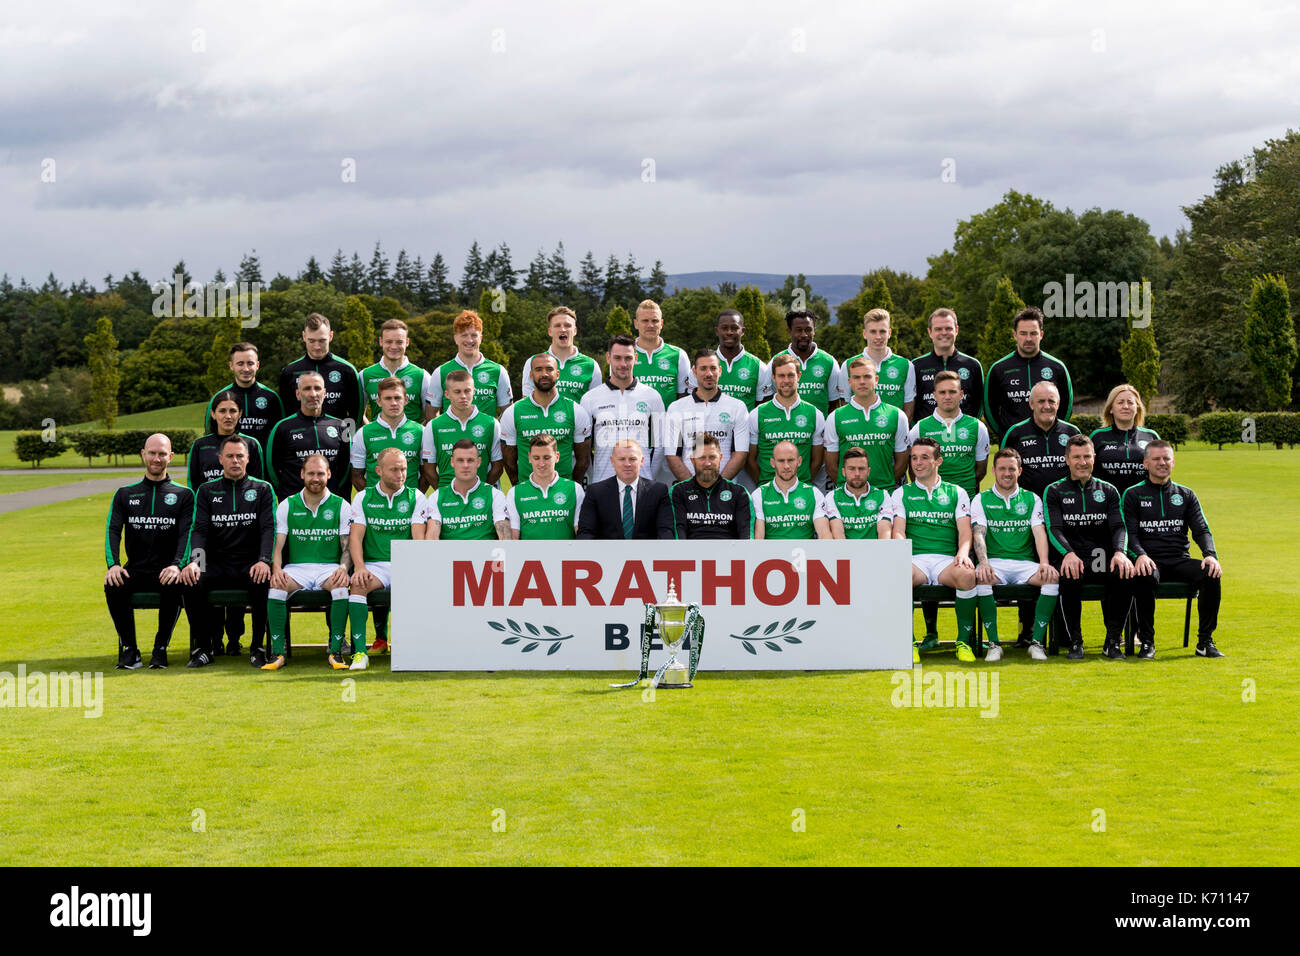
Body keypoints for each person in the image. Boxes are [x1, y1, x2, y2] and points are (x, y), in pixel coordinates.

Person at [906, 369, 989, 649]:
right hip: (929, 503)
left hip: (962, 504)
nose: (947, 396)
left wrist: (956, 495)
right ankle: (930, 631)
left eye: (953, 391)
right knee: (928, 558)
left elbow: (980, 469)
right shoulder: (919, 428)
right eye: (942, 392)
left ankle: (967, 634)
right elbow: (913, 465)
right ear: (933, 396)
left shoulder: (977, 428)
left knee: (965, 564)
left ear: (962, 394)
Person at [180, 435, 277, 667]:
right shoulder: (205, 491)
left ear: (248, 459)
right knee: (191, 580)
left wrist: (264, 560)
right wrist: (196, 562)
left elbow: (268, 528)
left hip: (250, 563)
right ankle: (203, 647)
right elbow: (199, 530)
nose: (235, 461)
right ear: (220, 459)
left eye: (240, 456)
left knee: (264, 579)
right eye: (230, 456)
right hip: (216, 563)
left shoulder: (263, 489)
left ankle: (258, 647)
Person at [1122, 441, 1225, 658]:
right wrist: (1140, 555)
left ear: (1173, 462)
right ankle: (1147, 642)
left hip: (1179, 560)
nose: (1162, 463)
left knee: (1211, 574)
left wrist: (1210, 555)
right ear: (1146, 463)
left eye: (1166, 459)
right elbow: (1129, 534)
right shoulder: (1133, 494)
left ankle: (1205, 642)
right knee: (1143, 574)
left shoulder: (1186, 494)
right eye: (1157, 459)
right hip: (1149, 560)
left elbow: (1201, 529)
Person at [104, 434, 194, 670]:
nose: (157, 458)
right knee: (113, 584)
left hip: (167, 569)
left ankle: (160, 649)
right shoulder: (124, 493)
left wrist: (177, 564)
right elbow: (113, 530)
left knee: (175, 584)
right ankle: (130, 650)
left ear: (171, 457)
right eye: (152, 453)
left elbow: (188, 534)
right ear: (143, 454)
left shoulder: (184, 495)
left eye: (162, 454)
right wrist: (113, 565)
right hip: (136, 568)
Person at [1044, 435, 1135, 660]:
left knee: (1124, 573)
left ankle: (1112, 641)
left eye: (1087, 456)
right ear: (1067, 460)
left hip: (1100, 556)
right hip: (1070, 555)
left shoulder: (1109, 490)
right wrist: (1068, 553)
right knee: (1069, 575)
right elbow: (1053, 529)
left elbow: (1119, 527)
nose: (1082, 462)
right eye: (1076, 457)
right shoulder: (1054, 490)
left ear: (1094, 458)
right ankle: (1076, 642)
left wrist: (1120, 553)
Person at [890, 438, 979, 663]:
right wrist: (901, 553)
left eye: (924, 457)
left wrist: (962, 554)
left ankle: (963, 642)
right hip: (916, 559)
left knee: (968, 575)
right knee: (897, 576)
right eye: (914, 458)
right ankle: (907, 643)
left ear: (938, 460)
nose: (917, 463)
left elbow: (965, 533)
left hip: (945, 561)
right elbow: (898, 531)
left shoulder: (956, 492)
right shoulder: (901, 493)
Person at [970, 448, 1060, 662]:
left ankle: (1036, 644)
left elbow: (1039, 533)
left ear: (1019, 471)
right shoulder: (980, 499)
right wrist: (983, 563)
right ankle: (994, 644)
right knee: (980, 577)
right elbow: (978, 533)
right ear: (993, 471)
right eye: (1002, 469)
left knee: (1052, 577)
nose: (1007, 473)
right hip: (995, 564)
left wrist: (1045, 563)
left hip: (1025, 564)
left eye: (1012, 469)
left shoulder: (1032, 499)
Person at [265, 454, 352, 671]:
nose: (316, 478)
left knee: (341, 586)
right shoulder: (287, 504)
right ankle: (278, 652)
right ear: (302, 474)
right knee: (276, 586)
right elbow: (277, 545)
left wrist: (343, 567)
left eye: (320, 473)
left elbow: (347, 547)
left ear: (329, 475)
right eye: (311, 473)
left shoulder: (341, 505)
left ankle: (336, 650)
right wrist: (276, 569)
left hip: (329, 568)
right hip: (297, 569)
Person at [346, 447, 427, 670]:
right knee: (358, 586)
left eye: (403, 469)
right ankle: (360, 653)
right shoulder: (363, 498)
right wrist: (360, 568)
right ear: (379, 470)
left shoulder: (416, 496)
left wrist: (416, 569)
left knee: (421, 588)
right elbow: (355, 538)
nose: (400, 475)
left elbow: (418, 537)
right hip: (375, 566)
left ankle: (414, 649)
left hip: (406, 562)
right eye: (394, 470)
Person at [580, 334, 664, 485]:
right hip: (602, 485)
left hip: (642, 486)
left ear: (636, 358)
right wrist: (597, 478)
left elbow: (661, 445)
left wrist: (648, 477)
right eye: (617, 358)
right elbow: (584, 450)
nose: (623, 364)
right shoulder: (589, 398)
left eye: (628, 358)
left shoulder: (653, 396)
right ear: (608, 357)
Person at [983, 306, 1073, 444]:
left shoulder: (1057, 367)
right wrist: (1008, 433)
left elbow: (1066, 407)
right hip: (1013, 444)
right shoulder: (998, 369)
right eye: (1023, 333)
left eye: (1033, 333)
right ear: (1014, 334)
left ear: (1041, 335)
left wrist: (1053, 430)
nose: (1028, 338)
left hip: (1048, 441)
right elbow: (989, 410)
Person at [500, 353, 593, 485]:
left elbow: (583, 461)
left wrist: (571, 487)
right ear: (531, 375)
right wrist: (520, 488)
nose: (544, 374)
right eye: (538, 369)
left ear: (557, 374)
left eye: (549, 369)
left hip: (563, 494)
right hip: (527, 494)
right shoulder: (513, 412)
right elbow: (509, 462)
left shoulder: (576, 411)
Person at [664, 349, 751, 487]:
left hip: (725, 489)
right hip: (688, 490)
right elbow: (672, 455)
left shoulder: (737, 407)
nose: (709, 374)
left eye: (713, 368)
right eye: (703, 368)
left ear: (720, 370)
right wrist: (693, 486)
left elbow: (740, 454)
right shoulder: (676, 408)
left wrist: (719, 486)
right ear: (694, 371)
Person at [823, 357, 909, 493]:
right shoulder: (835, 417)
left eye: (867, 377)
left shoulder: (897, 415)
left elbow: (902, 462)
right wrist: (851, 489)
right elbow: (831, 466)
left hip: (884, 493)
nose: (862, 382)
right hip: (847, 496)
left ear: (876, 380)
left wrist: (884, 486)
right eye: (856, 377)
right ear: (849, 382)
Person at [266, 371, 350, 498]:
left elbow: (346, 466)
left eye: (317, 388)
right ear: (298, 394)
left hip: (330, 503)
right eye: (307, 389)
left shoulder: (341, 426)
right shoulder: (282, 427)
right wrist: (287, 492)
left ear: (325, 393)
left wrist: (335, 488)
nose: (313, 394)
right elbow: (271, 469)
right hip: (294, 503)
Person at [746, 353, 825, 487]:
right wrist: (764, 485)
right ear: (773, 377)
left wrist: (802, 485)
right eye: (781, 376)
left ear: (799, 376)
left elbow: (817, 460)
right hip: (768, 491)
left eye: (791, 375)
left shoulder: (815, 414)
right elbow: (750, 460)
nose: (786, 380)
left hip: (802, 491)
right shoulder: (757, 414)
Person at [420, 368, 503, 491]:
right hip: (447, 500)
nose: (463, 396)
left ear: (474, 391)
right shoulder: (433, 426)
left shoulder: (491, 424)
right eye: (457, 392)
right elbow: (429, 470)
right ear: (447, 394)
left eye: (467, 391)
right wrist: (445, 493)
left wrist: (481, 490)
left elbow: (497, 467)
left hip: (480, 499)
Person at [277, 313, 364, 427]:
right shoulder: (289, 372)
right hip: (299, 441)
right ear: (304, 336)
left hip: (336, 440)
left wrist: (347, 439)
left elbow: (356, 412)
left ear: (331, 336)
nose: (317, 347)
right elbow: (284, 413)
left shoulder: (347, 370)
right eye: (311, 341)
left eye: (322, 341)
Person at [577, 439, 674, 539]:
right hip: (607, 553)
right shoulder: (595, 492)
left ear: (641, 461)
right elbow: (586, 533)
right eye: (622, 459)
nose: (627, 464)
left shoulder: (658, 491)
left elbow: (666, 531)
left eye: (632, 459)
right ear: (612, 461)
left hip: (646, 553)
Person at [428, 310, 513, 419]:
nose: (469, 340)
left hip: (485, 435)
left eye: (474, 335)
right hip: (453, 436)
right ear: (455, 338)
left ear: (481, 338)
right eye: (464, 335)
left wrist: (494, 430)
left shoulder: (498, 371)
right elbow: (431, 413)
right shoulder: (441, 372)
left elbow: (508, 412)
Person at [1000, 381, 1080, 498]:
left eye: (1051, 401)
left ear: (1058, 404)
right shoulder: (1015, 433)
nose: (1047, 406)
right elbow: (1003, 472)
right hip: (1027, 506)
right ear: (1031, 404)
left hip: (1066, 505)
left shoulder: (1072, 433)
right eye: (1041, 401)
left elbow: (1083, 471)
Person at [203, 342, 282, 454]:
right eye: (240, 363)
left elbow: (281, 435)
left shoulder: (271, 397)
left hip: (262, 467)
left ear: (257, 365)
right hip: (229, 465)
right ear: (231, 366)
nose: (245, 369)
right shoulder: (219, 397)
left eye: (250, 363)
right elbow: (209, 434)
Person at [424, 439, 511, 541]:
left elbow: (505, 538)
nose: (465, 465)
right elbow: (432, 537)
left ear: (478, 462)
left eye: (470, 460)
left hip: (484, 555)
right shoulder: (437, 497)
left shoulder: (494, 495)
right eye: (460, 460)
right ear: (452, 462)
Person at [668, 433, 751, 539]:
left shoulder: (739, 493)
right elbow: (678, 533)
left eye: (712, 457)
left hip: (730, 553)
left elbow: (747, 535)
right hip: (690, 553)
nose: (707, 463)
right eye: (702, 457)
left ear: (720, 458)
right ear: (693, 460)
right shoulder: (678, 491)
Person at [505, 434, 585, 540]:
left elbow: (580, 532)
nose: (541, 463)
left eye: (547, 458)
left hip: (564, 555)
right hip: (530, 556)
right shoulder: (514, 493)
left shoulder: (575, 489)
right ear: (529, 458)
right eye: (536, 458)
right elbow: (514, 536)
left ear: (557, 457)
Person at [350, 377, 423, 491]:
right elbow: (356, 476)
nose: (393, 403)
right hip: (376, 506)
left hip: (410, 504)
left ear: (406, 400)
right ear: (379, 401)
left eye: (397, 398)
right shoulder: (363, 433)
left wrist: (416, 498)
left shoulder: (420, 431)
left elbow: (426, 474)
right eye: (388, 398)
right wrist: (374, 498)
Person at [842, 308, 915, 420]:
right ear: (864, 334)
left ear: (889, 333)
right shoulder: (848, 365)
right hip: (859, 433)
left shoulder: (906, 365)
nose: (878, 337)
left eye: (882, 331)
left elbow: (909, 407)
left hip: (893, 434)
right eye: (873, 332)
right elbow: (844, 405)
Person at [913, 308, 984, 421]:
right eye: (938, 329)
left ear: (956, 330)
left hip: (963, 434)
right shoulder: (916, 366)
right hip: (926, 435)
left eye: (948, 328)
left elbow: (979, 404)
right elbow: (911, 404)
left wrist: (969, 427)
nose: (944, 333)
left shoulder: (973, 365)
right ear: (930, 332)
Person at [751, 441, 832, 540]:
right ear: (772, 463)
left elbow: (824, 534)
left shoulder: (814, 493)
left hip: (805, 554)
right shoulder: (759, 494)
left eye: (790, 460)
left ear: (799, 461)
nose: (786, 466)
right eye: (781, 461)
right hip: (771, 554)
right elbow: (758, 538)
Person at [522, 306, 602, 402]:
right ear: (550, 331)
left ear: (575, 331)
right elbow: (526, 403)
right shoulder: (533, 362)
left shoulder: (591, 365)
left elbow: (596, 405)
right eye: (557, 325)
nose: (563, 329)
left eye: (567, 325)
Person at [189, 390, 267, 489]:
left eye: (233, 411)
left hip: (244, 503)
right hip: (209, 503)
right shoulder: (200, 445)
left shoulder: (251, 443)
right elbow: (193, 482)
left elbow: (258, 483)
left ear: (240, 413)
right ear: (213, 414)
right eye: (222, 411)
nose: (228, 416)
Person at [360, 319, 434, 424]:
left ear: (407, 342)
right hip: (378, 439)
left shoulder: (422, 375)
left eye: (399, 342)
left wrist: (419, 434)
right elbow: (359, 415)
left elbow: (431, 416)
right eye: (389, 341)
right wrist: (371, 435)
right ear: (381, 341)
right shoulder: (365, 375)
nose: (394, 347)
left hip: (411, 439)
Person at [1091, 384, 1161, 494]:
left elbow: (1161, 473)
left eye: (1130, 402)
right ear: (1111, 409)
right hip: (1107, 505)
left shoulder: (1151, 437)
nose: (1126, 406)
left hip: (1143, 504)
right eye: (1120, 402)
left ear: (1137, 408)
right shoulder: (1097, 436)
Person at [771, 309, 842, 416]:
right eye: (798, 330)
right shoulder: (776, 361)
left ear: (814, 330)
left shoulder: (829, 362)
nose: (804, 335)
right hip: (785, 429)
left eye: (808, 330)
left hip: (818, 430)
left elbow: (834, 403)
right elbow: (769, 398)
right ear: (789, 331)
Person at [631, 299, 693, 413]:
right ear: (636, 323)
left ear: (661, 323)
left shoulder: (678, 355)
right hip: (633, 426)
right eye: (645, 321)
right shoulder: (623, 355)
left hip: (666, 426)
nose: (650, 325)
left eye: (655, 321)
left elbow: (684, 396)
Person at [824, 447, 893, 540]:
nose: (857, 473)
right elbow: (838, 534)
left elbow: (884, 532)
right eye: (851, 469)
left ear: (868, 471)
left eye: (861, 469)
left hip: (875, 552)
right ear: (843, 472)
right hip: (844, 553)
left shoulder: (882, 495)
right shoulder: (832, 496)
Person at [714, 309, 772, 410]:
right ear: (717, 331)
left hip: (745, 426)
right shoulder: (703, 364)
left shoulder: (759, 367)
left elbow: (762, 410)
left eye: (734, 328)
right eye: (724, 328)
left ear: (742, 331)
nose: (729, 332)